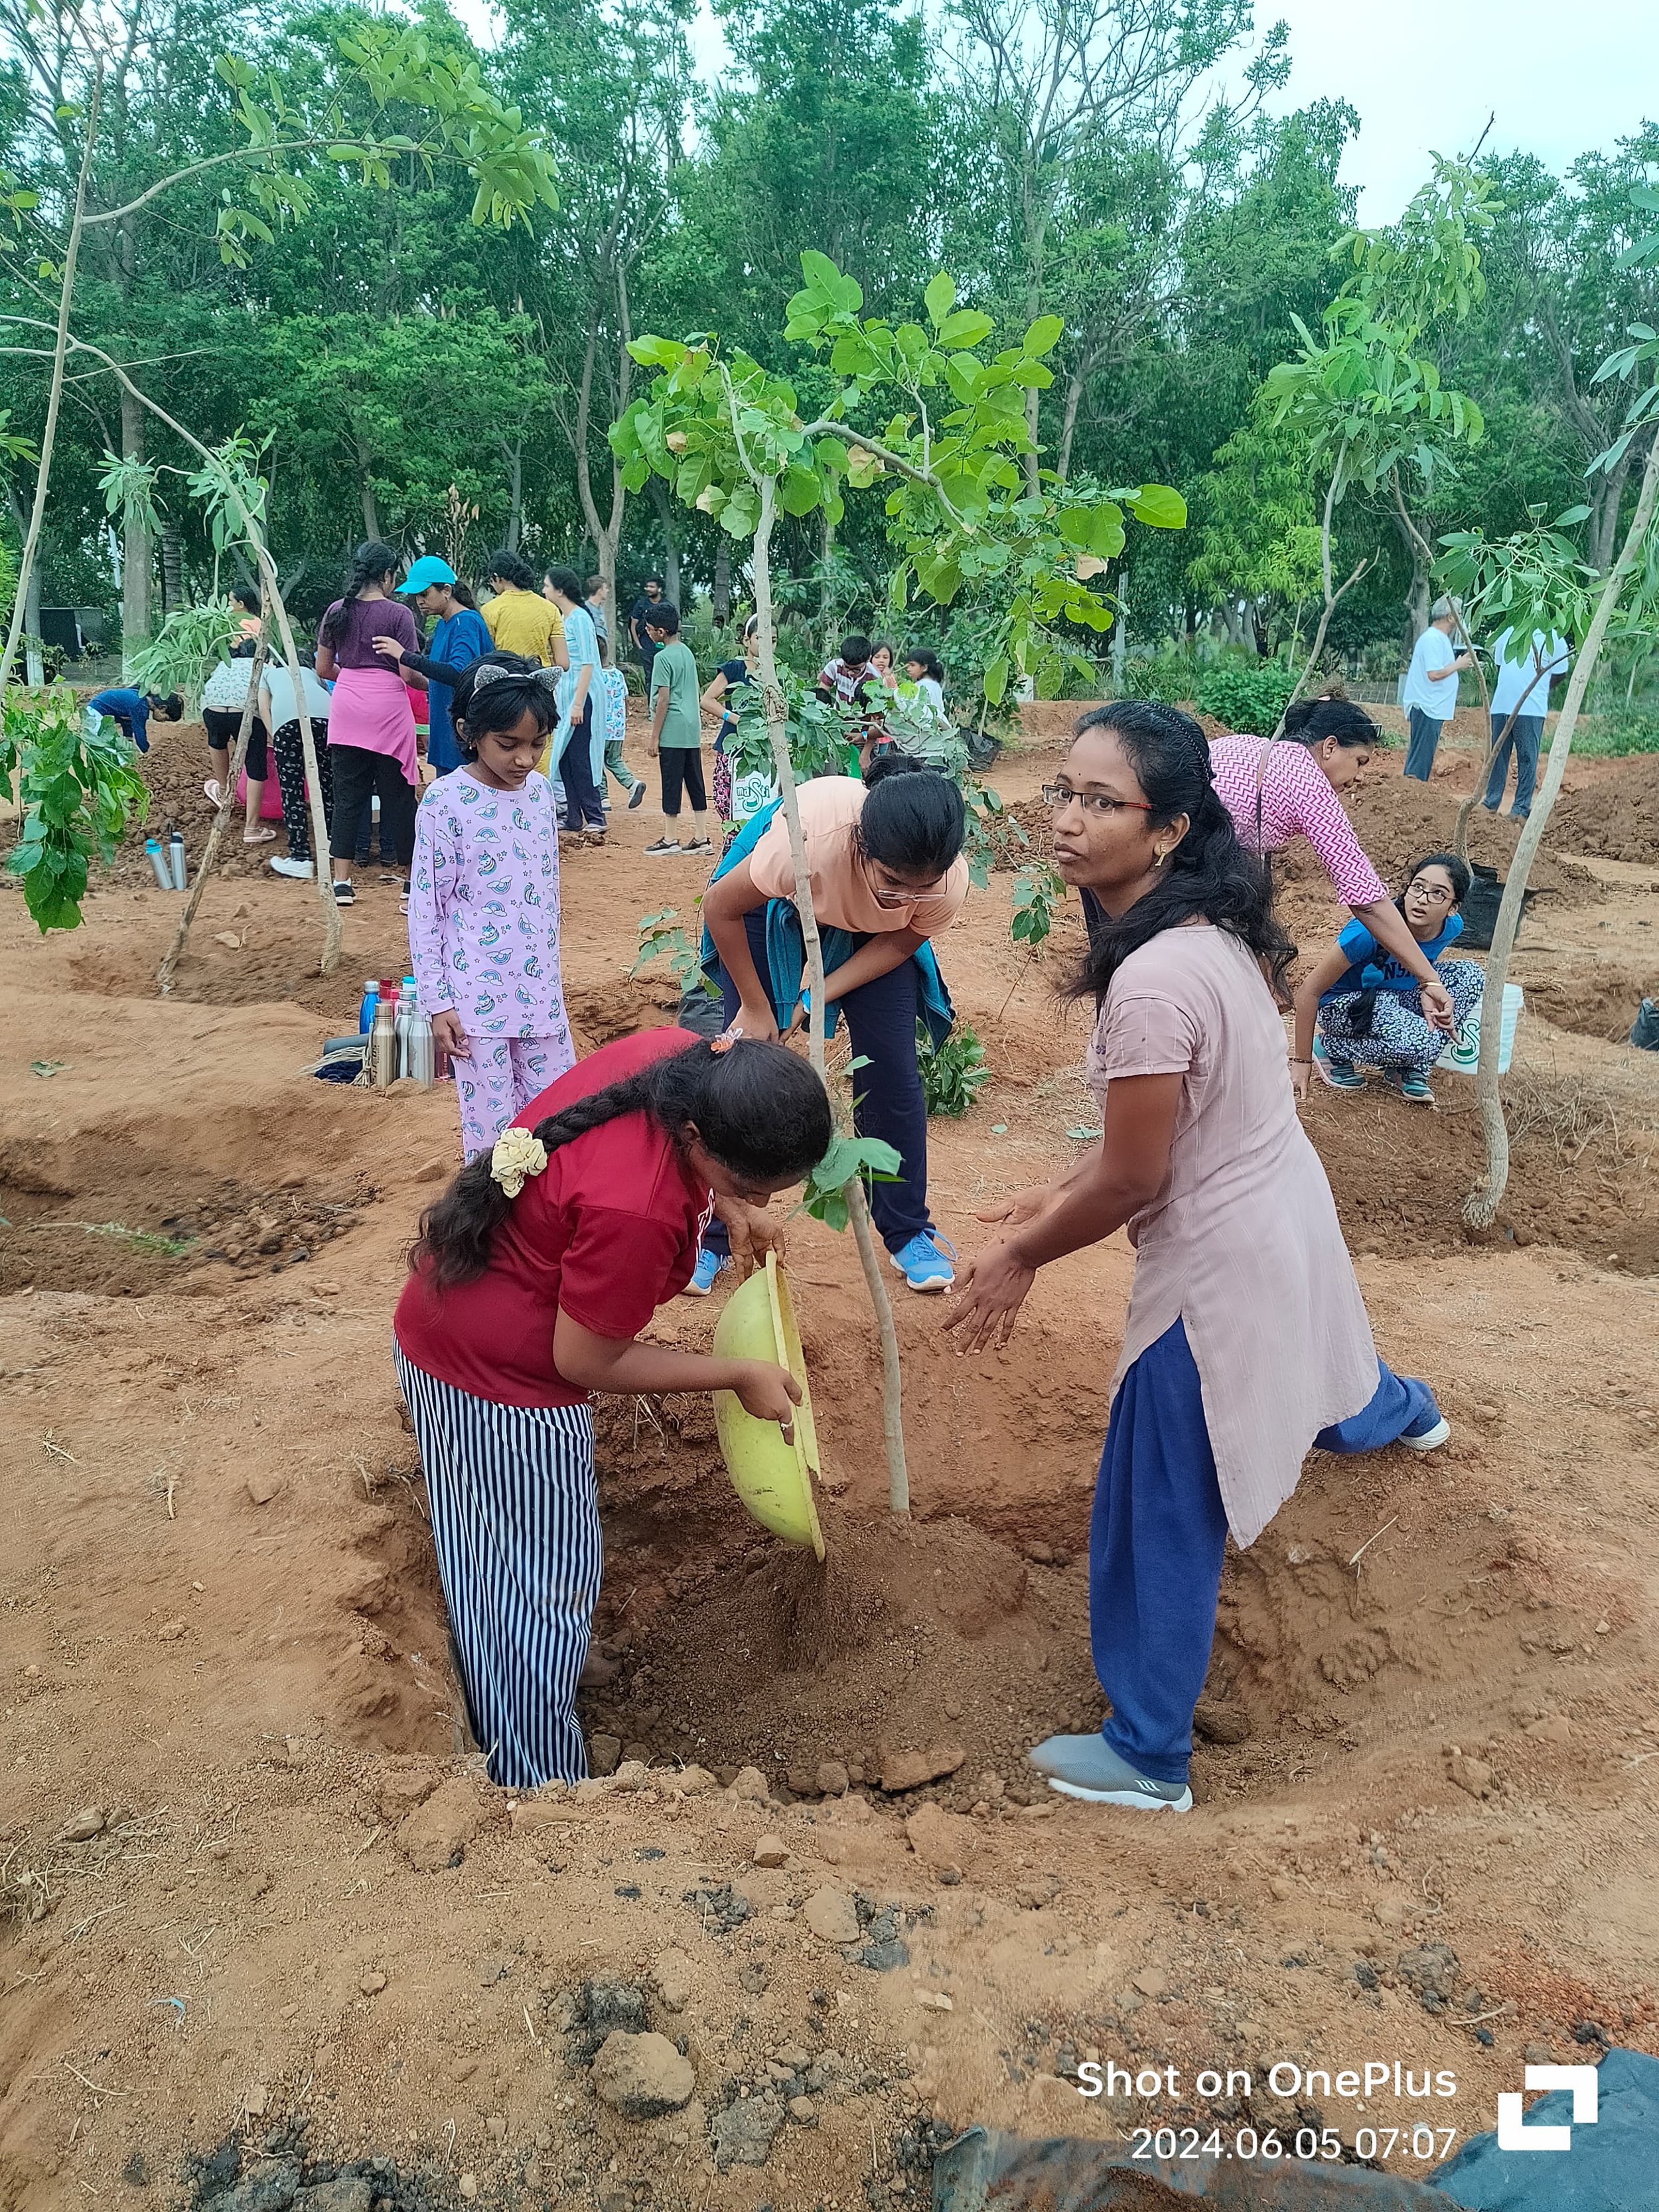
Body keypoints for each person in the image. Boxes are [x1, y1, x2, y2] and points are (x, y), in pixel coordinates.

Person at [944, 703, 1451, 1813]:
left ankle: (1148, 1753)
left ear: (1169, 827)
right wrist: (1059, 1190)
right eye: (1061, 792)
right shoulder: (1204, 932)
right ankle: (1407, 1411)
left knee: (1159, 1494)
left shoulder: (1155, 980)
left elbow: (1137, 1177)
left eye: (1101, 801)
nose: (1068, 820)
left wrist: (1021, 1251)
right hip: (1281, 1214)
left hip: (1222, 1260)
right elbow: (1157, 1140)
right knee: (1325, 1365)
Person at [392, 1028, 833, 1787]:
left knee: (504, 1553)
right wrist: (734, 1374)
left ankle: (545, 1670)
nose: (761, 1201)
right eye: (749, 1184)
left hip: (460, 1317)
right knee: (531, 1588)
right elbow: (586, 1360)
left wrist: (726, 1202)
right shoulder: (638, 1209)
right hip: (498, 1381)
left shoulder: (686, 1058)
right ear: (697, 1135)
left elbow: (691, 1169)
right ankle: (542, 1785)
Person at [694, 756, 968, 1294]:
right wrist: (757, 1004)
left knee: (892, 1072)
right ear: (862, 849)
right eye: (892, 882)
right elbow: (720, 907)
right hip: (770, 908)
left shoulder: (944, 884)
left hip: (872, 941)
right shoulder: (810, 843)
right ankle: (714, 1237)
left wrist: (817, 993)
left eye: (923, 887)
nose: (907, 898)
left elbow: (900, 939)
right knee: (743, 1070)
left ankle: (908, 1230)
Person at [406, 655, 576, 1162]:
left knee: (560, 1118)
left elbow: (545, 894)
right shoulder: (446, 801)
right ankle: (492, 1231)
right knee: (492, 1134)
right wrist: (438, 1003)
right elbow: (426, 909)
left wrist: (550, 978)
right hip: (477, 1002)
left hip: (541, 994)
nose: (525, 759)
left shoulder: (541, 795)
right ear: (468, 731)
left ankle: (548, 1221)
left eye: (537, 745)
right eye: (509, 744)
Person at [1206, 698, 1457, 1035]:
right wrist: (1428, 978)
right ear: (1330, 747)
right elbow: (1366, 899)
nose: (1358, 777)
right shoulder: (1310, 786)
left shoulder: (1247, 747)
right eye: (1359, 761)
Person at [1295, 852, 1484, 1105]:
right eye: (1418, 887)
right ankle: (1331, 1048)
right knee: (1421, 1042)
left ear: (1453, 908)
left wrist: (1427, 987)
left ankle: (1408, 1065)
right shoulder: (1366, 933)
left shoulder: (1451, 928)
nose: (1422, 899)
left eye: (1438, 893)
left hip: (1396, 999)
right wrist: (1301, 1059)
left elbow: (1426, 967)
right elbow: (1310, 991)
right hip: (1345, 1008)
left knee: (1470, 975)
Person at [315, 539, 421, 911]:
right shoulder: (399, 615)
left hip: (346, 707)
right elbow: (408, 673)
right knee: (399, 797)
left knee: (347, 798)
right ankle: (411, 885)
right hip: (388, 710)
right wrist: (431, 682)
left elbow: (323, 670)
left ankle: (341, 882)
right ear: (389, 576)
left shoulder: (336, 612)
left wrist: (352, 677)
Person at [371, 556, 491, 778]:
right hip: (444, 731)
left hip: (463, 733)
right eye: (416, 596)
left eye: (424, 594)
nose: (419, 601)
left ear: (446, 590)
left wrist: (405, 656)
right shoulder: (444, 624)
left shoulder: (465, 622)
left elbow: (459, 673)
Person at [542, 568, 607, 838]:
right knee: (565, 757)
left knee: (581, 757)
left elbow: (589, 664)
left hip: (583, 697)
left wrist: (579, 704)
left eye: (547, 586)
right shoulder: (562, 618)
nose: (543, 590)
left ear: (560, 590)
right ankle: (573, 816)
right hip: (566, 697)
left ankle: (596, 815)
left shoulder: (580, 618)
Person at [258, 652, 334, 881]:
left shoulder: (268, 673)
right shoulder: (311, 673)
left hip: (288, 721)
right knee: (328, 782)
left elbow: (263, 707)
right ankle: (334, 843)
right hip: (326, 719)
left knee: (292, 789)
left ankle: (300, 857)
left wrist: (274, 734)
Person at [1482, 626, 1571, 821]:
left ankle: (1521, 809)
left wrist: (1538, 687)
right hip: (1501, 706)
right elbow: (1500, 666)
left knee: (1527, 759)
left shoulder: (1553, 638)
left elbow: (1560, 672)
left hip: (1531, 709)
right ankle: (1491, 802)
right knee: (1496, 757)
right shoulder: (1506, 633)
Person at [643, 607, 711, 857]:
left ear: (661, 632)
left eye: (650, 629)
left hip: (672, 727)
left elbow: (663, 699)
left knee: (671, 781)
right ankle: (701, 836)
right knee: (694, 780)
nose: (648, 633)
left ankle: (670, 838)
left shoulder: (662, 658)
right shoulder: (687, 653)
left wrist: (655, 736)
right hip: (691, 726)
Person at [200, 637, 275, 847]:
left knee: (217, 742)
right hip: (246, 708)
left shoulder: (225, 663)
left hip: (212, 705)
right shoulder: (266, 668)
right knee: (255, 765)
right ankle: (251, 828)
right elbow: (268, 704)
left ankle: (224, 792)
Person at [702, 615, 772, 836]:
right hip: (732, 749)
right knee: (728, 804)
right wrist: (735, 719)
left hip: (763, 753)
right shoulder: (734, 668)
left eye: (773, 639)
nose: (767, 644)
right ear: (746, 640)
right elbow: (706, 700)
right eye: (760, 637)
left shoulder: (776, 673)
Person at [1402, 596, 1476, 782]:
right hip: (1427, 707)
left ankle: (1412, 791)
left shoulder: (1439, 639)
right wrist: (1458, 665)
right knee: (1421, 758)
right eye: (1459, 615)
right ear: (1451, 617)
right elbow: (1433, 674)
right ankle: (1413, 792)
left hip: (1432, 708)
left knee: (1422, 755)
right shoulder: (1433, 639)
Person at [482, 548, 567, 669]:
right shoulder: (550, 609)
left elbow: (487, 657)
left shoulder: (489, 610)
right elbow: (563, 663)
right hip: (539, 681)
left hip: (506, 681)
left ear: (497, 578)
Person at [597, 632, 644, 810]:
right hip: (617, 728)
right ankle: (632, 784)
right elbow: (625, 699)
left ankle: (604, 799)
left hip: (600, 729)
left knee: (597, 762)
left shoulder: (594, 675)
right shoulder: (617, 674)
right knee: (614, 760)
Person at [85, 686, 181, 754]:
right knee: (108, 751)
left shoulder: (141, 698)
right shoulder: (140, 706)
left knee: (118, 751)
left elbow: (127, 722)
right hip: (95, 714)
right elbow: (140, 737)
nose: (163, 721)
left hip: (97, 711)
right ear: (163, 708)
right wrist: (150, 755)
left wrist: (129, 742)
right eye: (166, 718)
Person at [818, 633, 881, 709]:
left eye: (856, 669)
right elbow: (822, 694)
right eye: (847, 668)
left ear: (868, 659)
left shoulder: (875, 677)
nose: (850, 673)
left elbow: (878, 705)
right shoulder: (834, 667)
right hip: (839, 716)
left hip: (864, 719)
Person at [630, 575, 668, 679]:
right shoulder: (641, 604)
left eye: (652, 587)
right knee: (649, 678)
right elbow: (633, 626)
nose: (648, 589)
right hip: (646, 648)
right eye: (647, 587)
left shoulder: (666, 605)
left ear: (659, 589)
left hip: (663, 649)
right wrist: (640, 647)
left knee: (663, 677)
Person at [585, 575, 610, 650]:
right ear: (600, 591)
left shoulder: (601, 608)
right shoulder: (585, 609)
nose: (608, 591)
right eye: (605, 588)